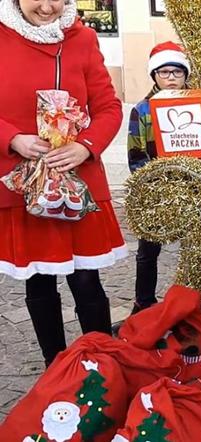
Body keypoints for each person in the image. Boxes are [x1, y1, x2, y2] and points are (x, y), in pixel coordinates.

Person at [0, 0, 127, 366]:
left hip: (77, 183)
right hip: (25, 182)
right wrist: (12, 138)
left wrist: (85, 146)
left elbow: (108, 106)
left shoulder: (83, 39)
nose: (47, 6)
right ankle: (56, 368)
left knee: (87, 280)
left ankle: (104, 366)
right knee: (38, 280)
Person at [126, 41, 190, 314]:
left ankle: (192, 302)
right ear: (154, 76)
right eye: (164, 73)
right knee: (148, 249)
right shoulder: (142, 110)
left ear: (186, 75)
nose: (171, 78)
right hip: (156, 189)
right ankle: (143, 302)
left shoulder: (199, 103)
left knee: (194, 248)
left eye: (177, 72)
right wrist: (156, 183)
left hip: (192, 187)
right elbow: (136, 153)